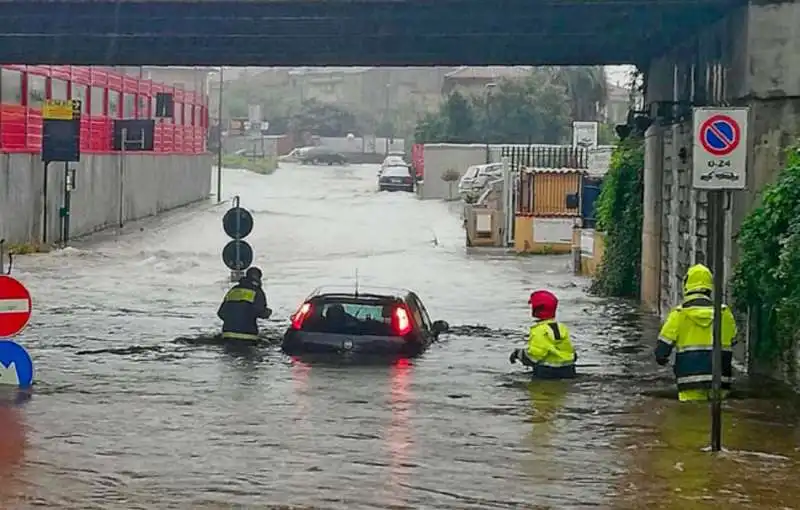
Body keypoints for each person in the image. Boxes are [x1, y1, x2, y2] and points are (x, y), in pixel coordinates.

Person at [655, 263, 738, 402]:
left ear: (687, 285)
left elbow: (661, 353)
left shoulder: (678, 314)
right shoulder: (724, 313)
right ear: (709, 286)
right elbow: (734, 341)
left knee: (690, 418)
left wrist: (664, 360)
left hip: (689, 383)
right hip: (720, 382)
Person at [509, 290, 577, 379]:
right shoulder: (562, 327)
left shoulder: (539, 330)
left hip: (547, 372)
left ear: (535, 310)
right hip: (569, 369)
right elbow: (571, 351)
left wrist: (517, 354)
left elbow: (535, 355)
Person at [217, 266, 272, 342]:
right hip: (248, 335)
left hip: (227, 335)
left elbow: (221, 313)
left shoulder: (233, 290)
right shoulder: (257, 291)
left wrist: (234, 319)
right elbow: (261, 312)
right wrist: (267, 312)